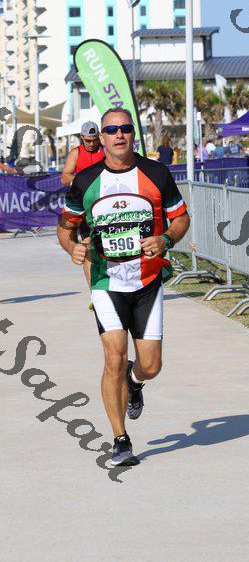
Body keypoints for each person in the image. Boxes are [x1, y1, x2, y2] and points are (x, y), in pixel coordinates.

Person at [57, 108, 190, 466]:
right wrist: (73, 248)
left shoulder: (156, 174)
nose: (119, 135)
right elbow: (66, 227)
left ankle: (135, 381)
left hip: (147, 282)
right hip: (105, 281)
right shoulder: (86, 180)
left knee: (151, 365)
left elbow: (181, 218)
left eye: (125, 128)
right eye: (111, 130)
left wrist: (166, 239)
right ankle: (120, 439)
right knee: (113, 357)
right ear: (101, 138)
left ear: (133, 134)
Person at [61, 121, 104, 303]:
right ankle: (94, 294)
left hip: (105, 208)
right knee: (88, 247)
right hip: (86, 210)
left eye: (94, 140)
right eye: (88, 141)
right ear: (82, 138)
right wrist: (84, 180)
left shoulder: (106, 150)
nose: (91, 144)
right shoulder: (76, 153)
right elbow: (65, 177)